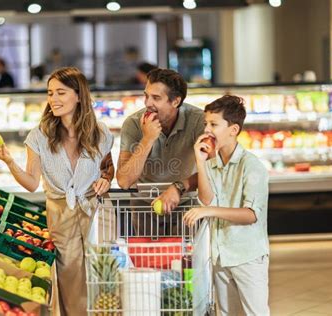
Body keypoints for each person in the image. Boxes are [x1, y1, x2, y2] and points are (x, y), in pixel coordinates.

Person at [0, 67, 114, 316]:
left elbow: (108, 167)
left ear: (79, 96)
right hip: (60, 215)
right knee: (70, 280)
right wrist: (9, 162)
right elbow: (32, 183)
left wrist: (106, 180)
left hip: (95, 214)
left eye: (60, 93)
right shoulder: (40, 136)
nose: (53, 99)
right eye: (50, 93)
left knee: (102, 275)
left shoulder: (100, 133)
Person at [184, 95, 270, 315]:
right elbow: (207, 200)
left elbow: (251, 214)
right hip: (220, 255)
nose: (207, 129)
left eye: (214, 124)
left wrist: (208, 211)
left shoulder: (251, 166)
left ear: (233, 130)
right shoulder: (211, 164)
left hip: (247, 255)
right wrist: (200, 162)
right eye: (206, 124)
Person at [116, 68, 204, 235]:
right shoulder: (133, 124)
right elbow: (124, 181)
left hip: (186, 204)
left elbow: (213, 171)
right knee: (149, 260)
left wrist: (178, 187)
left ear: (176, 101)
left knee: (185, 259)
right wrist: (147, 139)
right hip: (144, 207)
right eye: (146, 95)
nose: (148, 103)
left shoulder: (198, 121)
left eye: (156, 98)